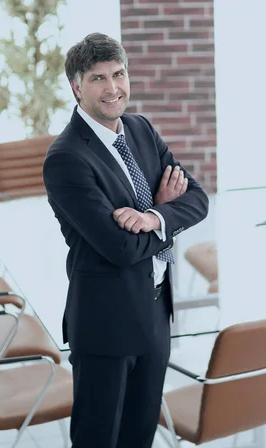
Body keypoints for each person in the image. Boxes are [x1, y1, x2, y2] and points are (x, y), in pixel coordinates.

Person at [43, 32, 209, 448]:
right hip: (106, 322)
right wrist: (167, 220)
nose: (113, 88)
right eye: (98, 78)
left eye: (119, 74)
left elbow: (199, 198)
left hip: (156, 311)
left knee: (139, 436)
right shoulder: (66, 158)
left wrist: (153, 214)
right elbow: (119, 249)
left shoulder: (139, 128)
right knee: (99, 439)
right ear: (76, 87)